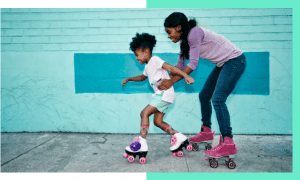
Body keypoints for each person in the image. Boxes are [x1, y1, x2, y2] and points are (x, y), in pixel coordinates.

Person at [159, 12, 246, 159]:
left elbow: (192, 64)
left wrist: (171, 81)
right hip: (223, 64)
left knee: (218, 100)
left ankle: (228, 143)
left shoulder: (194, 33)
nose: (168, 36)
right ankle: (206, 131)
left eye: (169, 32)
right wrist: (163, 79)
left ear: (179, 27)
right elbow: (180, 66)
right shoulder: (184, 42)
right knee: (204, 95)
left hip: (235, 61)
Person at [122, 33, 194, 164]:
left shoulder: (155, 60)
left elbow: (171, 68)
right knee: (158, 122)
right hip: (164, 95)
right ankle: (179, 136)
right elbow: (142, 77)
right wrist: (129, 79)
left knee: (144, 113)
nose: (136, 58)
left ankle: (142, 142)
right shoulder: (148, 66)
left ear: (146, 51)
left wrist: (185, 76)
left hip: (164, 94)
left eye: (137, 55)